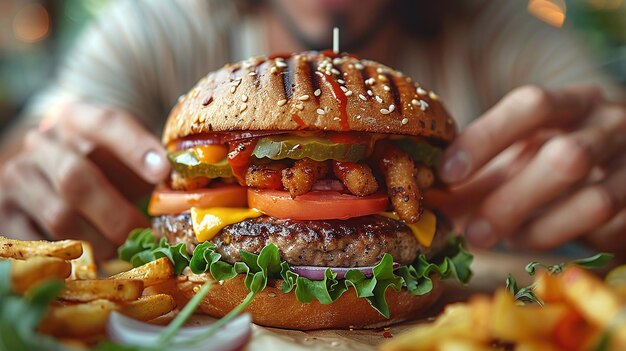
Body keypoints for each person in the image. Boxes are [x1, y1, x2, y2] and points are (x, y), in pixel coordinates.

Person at [0, 0, 624, 259]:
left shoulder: (504, 31)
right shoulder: (152, 27)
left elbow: (605, 114)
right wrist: (24, 166)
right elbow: (41, 136)